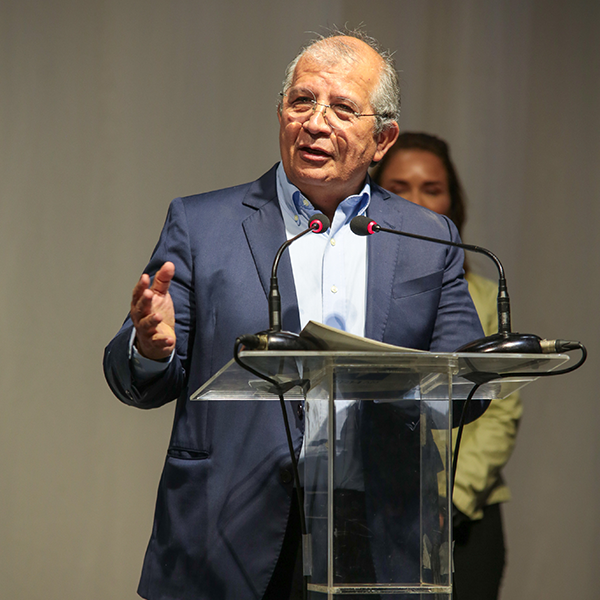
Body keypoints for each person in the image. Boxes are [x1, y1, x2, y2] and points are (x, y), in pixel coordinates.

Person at [104, 33, 486, 600]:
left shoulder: (428, 238)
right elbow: (134, 380)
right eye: (302, 101)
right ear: (281, 113)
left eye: (342, 108)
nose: (315, 122)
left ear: (382, 139)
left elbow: (467, 391)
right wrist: (152, 348)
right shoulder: (203, 225)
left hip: (374, 535)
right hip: (225, 531)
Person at [372, 131, 523, 600]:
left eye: (431, 189)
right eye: (398, 188)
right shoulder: (356, 288)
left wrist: (452, 499)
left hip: (465, 513)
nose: (416, 202)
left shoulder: (482, 295)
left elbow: (499, 410)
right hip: (374, 509)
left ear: (452, 203)